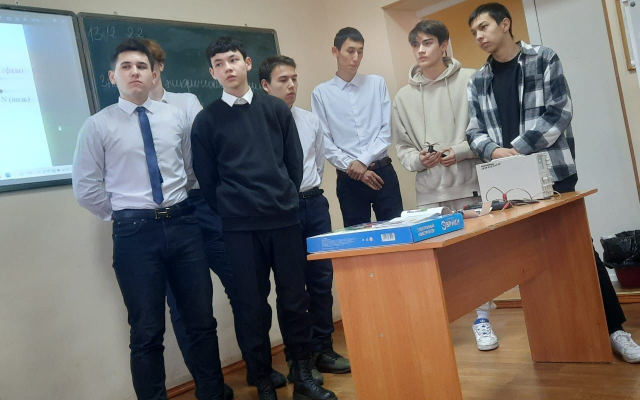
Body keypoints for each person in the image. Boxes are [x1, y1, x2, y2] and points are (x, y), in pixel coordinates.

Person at [466, 2, 640, 363]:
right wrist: (493, 151)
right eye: (474, 32)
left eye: (484, 27)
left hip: (553, 172)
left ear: (505, 24)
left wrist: (515, 148)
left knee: (578, 250)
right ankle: (561, 336)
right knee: (531, 258)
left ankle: (615, 330)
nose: (479, 36)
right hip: (507, 183)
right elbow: (473, 130)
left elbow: (559, 110)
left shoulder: (543, 58)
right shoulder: (477, 80)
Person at [72, 38, 226, 399]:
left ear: (154, 73)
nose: (135, 72)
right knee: (146, 331)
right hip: (135, 235)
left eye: (142, 66)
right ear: (113, 76)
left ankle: (213, 394)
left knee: (201, 323)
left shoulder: (175, 117)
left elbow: (190, 170)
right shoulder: (97, 126)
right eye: (126, 67)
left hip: (184, 226)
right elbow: (86, 188)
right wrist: (124, 214)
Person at [191, 36, 338, 400]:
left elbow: (293, 164)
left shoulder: (275, 110)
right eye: (219, 63)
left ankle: (302, 376)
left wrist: (282, 200)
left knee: (294, 301)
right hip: (239, 229)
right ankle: (263, 382)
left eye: (233, 60)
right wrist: (235, 208)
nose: (227, 67)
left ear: (247, 63)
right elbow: (207, 181)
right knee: (251, 307)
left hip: (284, 222)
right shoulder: (206, 120)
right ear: (212, 72)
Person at [141, 38, 285, 398]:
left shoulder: (187, 103)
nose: (143, 72)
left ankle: (259, 368)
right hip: (167, 218)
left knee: (246, 290)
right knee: (186, 309)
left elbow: (208, 160)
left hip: (204, 205)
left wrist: (219, 202)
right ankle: (210, 387)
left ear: (160, 67)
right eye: (134, 66)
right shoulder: (118, 117)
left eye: (149, 65)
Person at [393, 20, 499, 351]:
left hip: (470, 185)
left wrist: (462, 150)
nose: (420, 50)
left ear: (443, 45)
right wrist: (418, 160)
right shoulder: (403, 97)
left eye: (427, 42)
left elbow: (489, 130)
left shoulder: (471, 79)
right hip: (430, 193)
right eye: (415, 44)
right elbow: (402, 149)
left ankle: (482, 320)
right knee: (436, 262)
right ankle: (438, 326)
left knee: (476, 257)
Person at [259, 55, 351, 381]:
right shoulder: (258, 124)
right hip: (281, 212)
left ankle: (323, 349)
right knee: (292, 289)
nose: (291, 85)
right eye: (283, 80)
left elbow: (317, 164)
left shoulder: (309, 120)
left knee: (321, 281)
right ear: (265, 85)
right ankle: (299, 359)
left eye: (294, 78)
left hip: (313, 204)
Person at [312, 27, 403, 228]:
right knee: (358, 237)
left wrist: (363, 161)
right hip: (349, 179)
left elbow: (386, 131)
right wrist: (355, 168)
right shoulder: (321, 93)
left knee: (397, 232)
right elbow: (325, 141)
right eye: (350, 51)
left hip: (382, 171)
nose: (356, 58)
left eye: (360, 52)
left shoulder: (376, 83)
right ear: (335, 51)